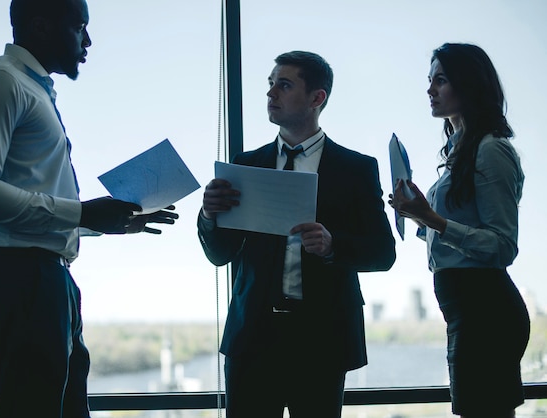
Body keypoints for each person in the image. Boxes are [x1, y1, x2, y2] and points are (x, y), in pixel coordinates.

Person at [0, 0, 178, 416]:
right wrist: (83, 214)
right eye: (79, 28)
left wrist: (105, 223)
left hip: (44, 273)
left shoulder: (31, 89)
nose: (87, 41)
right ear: (40, 26)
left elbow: (33, 193)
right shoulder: (0, 83)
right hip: (16, 272)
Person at [198, 50, 396, 418]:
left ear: (317, 98)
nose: (271, 93)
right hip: (252, 335)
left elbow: (383, 253)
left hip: (322, 338)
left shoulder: (356, 169)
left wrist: (333, 245)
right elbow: (220, 253)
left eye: (284, 85)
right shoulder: (244, 165)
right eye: (271, 84)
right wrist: (209, 215)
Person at [389, 43, 530, 418]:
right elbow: (453, 235)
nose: (430, 89)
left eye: (441, 80)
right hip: (466, 310)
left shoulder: (490, 150)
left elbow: (502, 247)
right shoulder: (459, 152)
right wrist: (417, 214)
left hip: (486, 310)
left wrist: (431, 218)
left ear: (468, 86)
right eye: (430, 80)